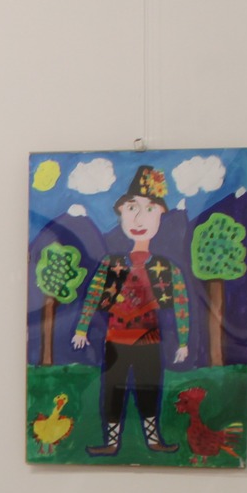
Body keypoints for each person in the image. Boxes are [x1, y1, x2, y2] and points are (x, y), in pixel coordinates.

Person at [70, 165, 190, 457]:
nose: (138, 218)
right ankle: (111, 442)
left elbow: (181, 303)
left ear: (160, 214)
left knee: (149, 389)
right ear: (121, 213)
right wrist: (82, 328)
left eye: (149, 209)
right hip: (116, 340)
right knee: (113, 389)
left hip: (150, 340)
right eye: (132, 208)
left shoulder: (167, 267)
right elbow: (93, 295)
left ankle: (153, 439)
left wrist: (184, 342)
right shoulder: (110, 264)